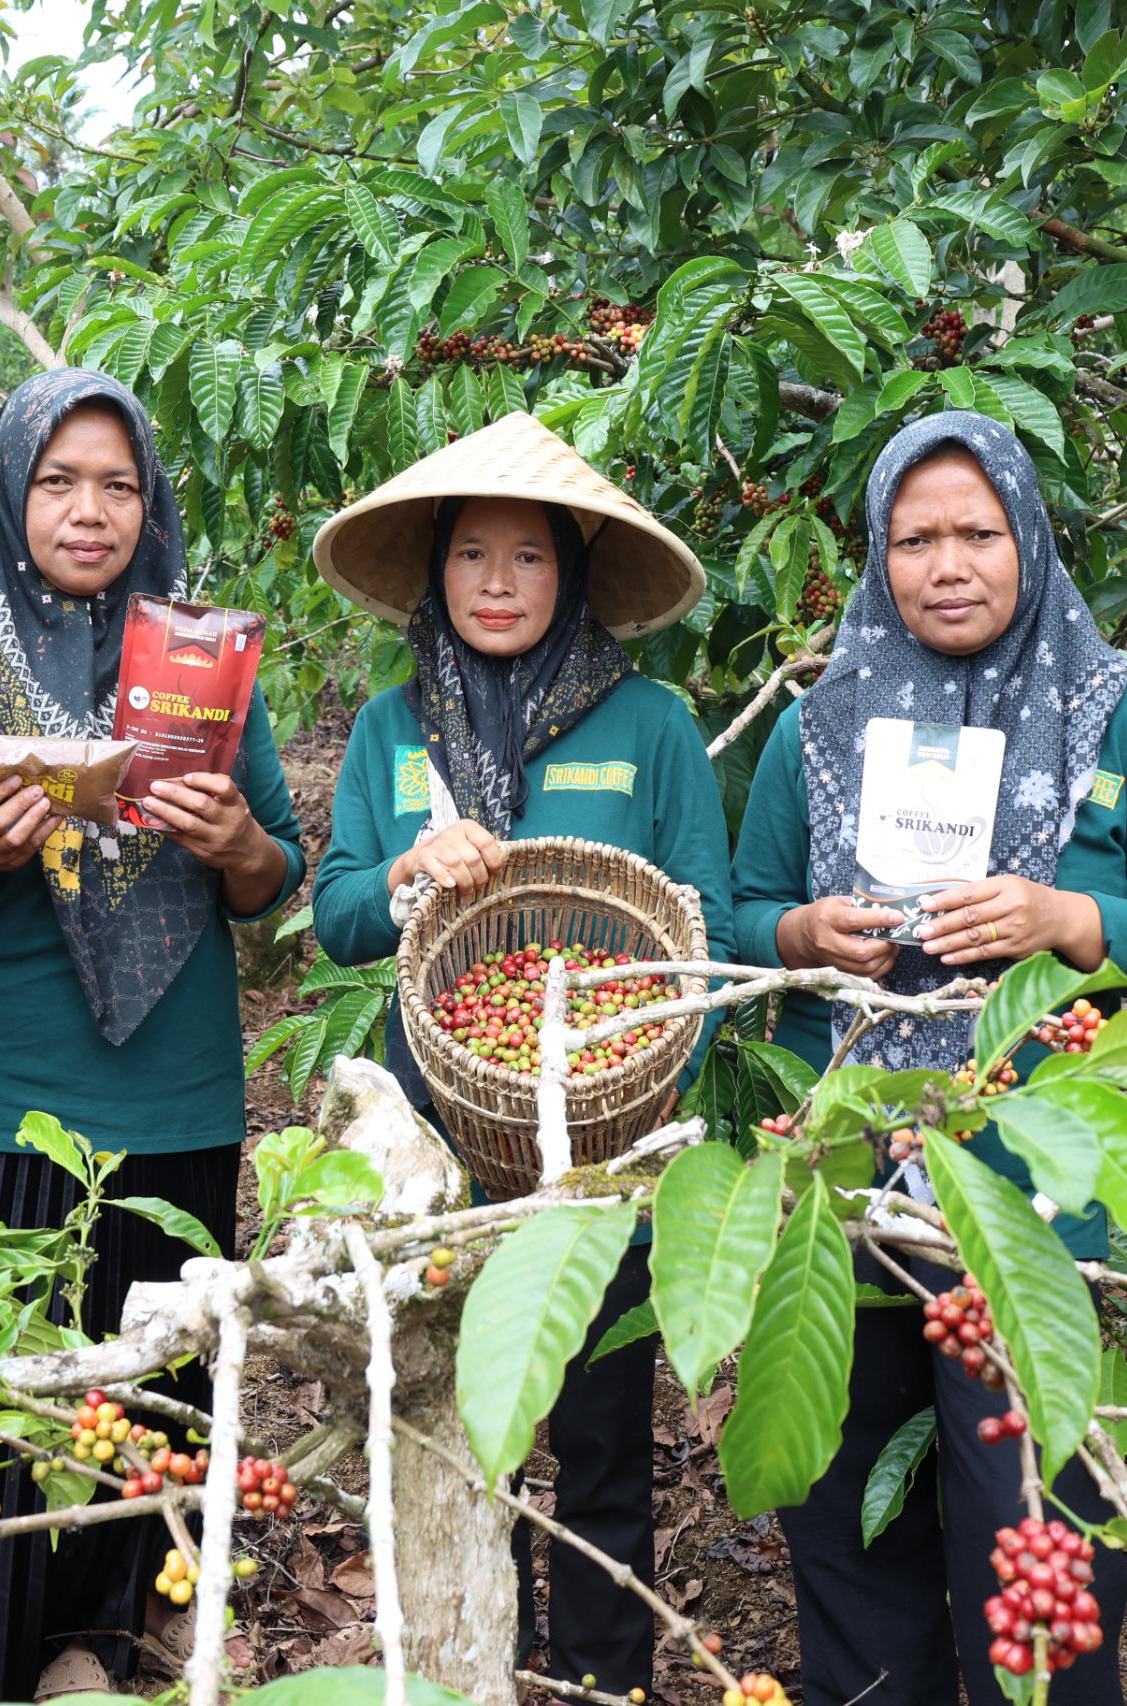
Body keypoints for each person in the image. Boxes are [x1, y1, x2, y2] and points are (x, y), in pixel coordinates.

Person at [729, 411, 1127, 1706]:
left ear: (1029, 538)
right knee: (848, 1505)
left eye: (979, 532)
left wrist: (1070, 921)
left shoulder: (1126, 724)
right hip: (846, 1176)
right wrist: (802, 933)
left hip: (1043, 1190)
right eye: (916, 538)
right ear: (876, 554)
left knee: (1034, 1508)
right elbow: (733, 918)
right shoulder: (819, 731)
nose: (948, 563)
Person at [0, 368, 306, 1702]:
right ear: (9, 494)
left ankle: (103, 1641)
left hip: (173, 1094)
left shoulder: (204, 662)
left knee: (143, 1391)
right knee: (1, 1393)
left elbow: (271, 875)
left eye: (118, 482)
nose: (90, 509)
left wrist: (235, 845)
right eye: (58, 481)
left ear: (149, 501)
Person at [308, 411, 732, 1699]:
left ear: (577, 571)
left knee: (601, 1435)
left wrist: (633, 1065)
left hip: (607, 1145)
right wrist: (400, 872)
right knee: (452, 1426)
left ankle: (604, 1673)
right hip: (437, 1140)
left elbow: (701, 939)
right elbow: (331, 923)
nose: (499, 584)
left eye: (531, 557)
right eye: (473, 555)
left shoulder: (651, 725)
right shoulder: (391, 731)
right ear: (434, 571)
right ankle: (468, 1655)